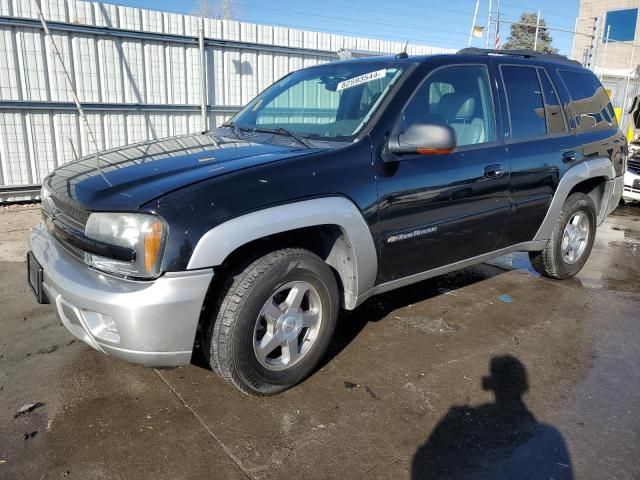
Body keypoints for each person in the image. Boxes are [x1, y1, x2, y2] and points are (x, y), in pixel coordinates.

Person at [411, 355, 573, 480]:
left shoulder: (464, 423)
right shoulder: (549, 435)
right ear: (523, 387)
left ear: (489, 384)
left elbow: (423, 464)